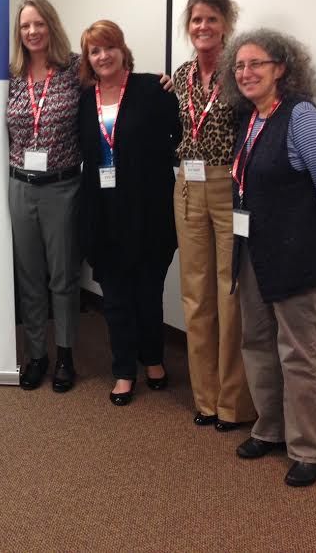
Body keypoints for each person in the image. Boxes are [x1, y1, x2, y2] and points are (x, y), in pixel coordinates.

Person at [221, 28, 316, 487]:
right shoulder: (250, 118)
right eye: (239, 65)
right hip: (253, 251)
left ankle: (310, 449)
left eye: (257, 63)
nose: (246, 72)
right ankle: (270, 429)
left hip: (295, 254)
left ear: (282, 68)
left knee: (298, 352)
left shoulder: (302, 117)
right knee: (256, 343)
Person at [76, 21, 180, 405]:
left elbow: (180, 133)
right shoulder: (85, 100)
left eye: (109, 47)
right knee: (116, 294)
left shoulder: (154, 89)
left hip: (147, 208)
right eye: (94, 51)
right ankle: (123, 369)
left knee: (148, 290)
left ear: (122, 49)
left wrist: (175, 85)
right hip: (103, 210)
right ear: (88, 59)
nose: (103, 56)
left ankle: (152, 358)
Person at [172, 0, 256, 431]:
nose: (202, 27)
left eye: (211, 19)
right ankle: (205, 400)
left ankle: (233, 405)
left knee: (230, 292)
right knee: (195, 293)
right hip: (187, 186)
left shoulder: (240, 71)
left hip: (227, 186)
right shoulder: (182, 74)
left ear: (226, 24)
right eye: (196, 20)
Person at [7, 0, 82, 392]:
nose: (32, 32)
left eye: (38, 24)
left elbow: (116, 83)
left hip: (62, 187)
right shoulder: (12, 74)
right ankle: (37, 353)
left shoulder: (74, 68)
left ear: (51, 26)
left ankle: (65, 354)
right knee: (29, 276)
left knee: (63, 276)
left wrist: (161, 81)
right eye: (25, 26)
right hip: (20, 185)